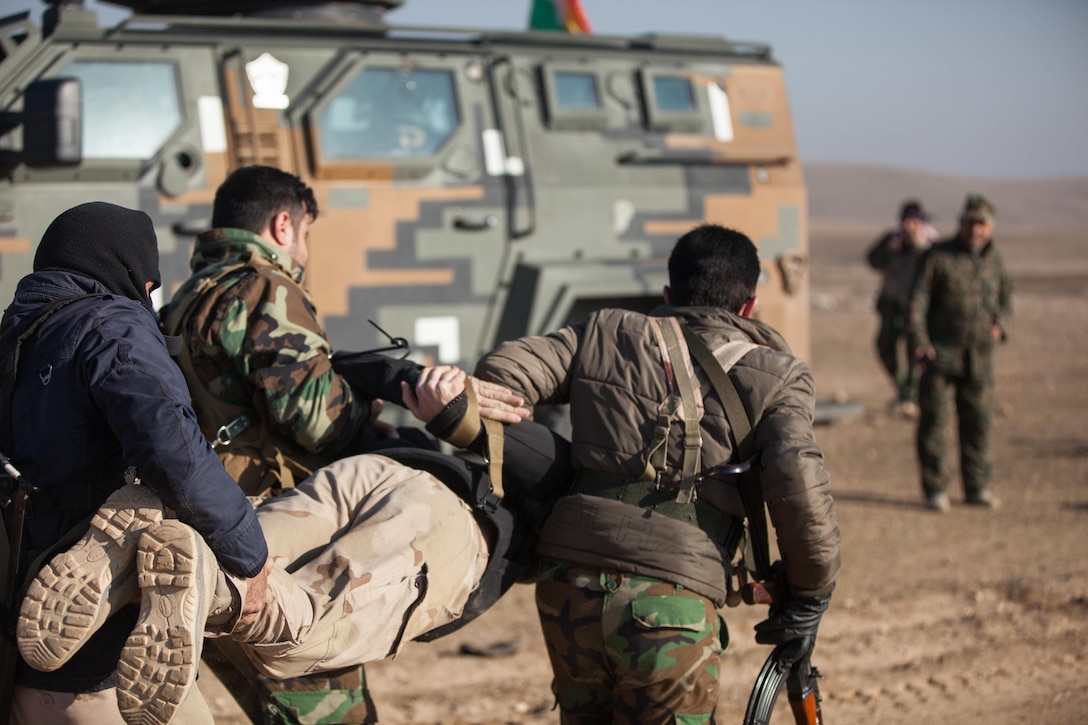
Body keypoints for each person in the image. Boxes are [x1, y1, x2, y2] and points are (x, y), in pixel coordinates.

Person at [159, 164, 526, 722]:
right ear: (283, 225)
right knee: (333, 706)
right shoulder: (267, 288)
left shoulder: (186, 299)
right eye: (305, 235)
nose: (304, 252)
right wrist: (367, 413)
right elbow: (314, 418)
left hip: (210, 524)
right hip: (275, 541)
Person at [18, 364, 573, 725]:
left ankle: (140, 545)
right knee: (305, 630)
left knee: (243, 551)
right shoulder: (584, 477)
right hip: (449, 523)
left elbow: (335, 364)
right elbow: (558, 476)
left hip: (370, 470)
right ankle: (212, 587)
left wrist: (414, 379)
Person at [473, 224, 841, 724]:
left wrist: (542, 484)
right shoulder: (779, 374)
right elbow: (798, 483)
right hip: (672, 599)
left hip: (568, 589)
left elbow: (502, 371)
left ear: (668, 294)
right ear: (749, 306)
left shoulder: (603, 331)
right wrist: (811, 591)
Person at [0, 202, 271, 725]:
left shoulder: (12, 339)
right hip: (102, 670)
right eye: (150, 286)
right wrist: (249, 553)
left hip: (19, 656)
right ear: (129, 272)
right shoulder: (111, 324)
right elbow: (174, 451)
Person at [909, 194, 1012, 513]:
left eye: (980, 224)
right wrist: (920, 340)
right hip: (940, 355)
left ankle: (976, 486)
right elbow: (918, 302)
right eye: (969, 222)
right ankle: (935, 489)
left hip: (979, 359)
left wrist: (1000, 325)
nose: (974, 230)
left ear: (991, 226)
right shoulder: (938, 256)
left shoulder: (995, 260)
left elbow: (1006, 297)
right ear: (960, 223)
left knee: (978, 425)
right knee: (934, 426)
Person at [866, 199, 938, 415]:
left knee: (915, 354)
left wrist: (918, 246)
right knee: (884, 347)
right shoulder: (893, 240)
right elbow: (872, 260)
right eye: (906, 221)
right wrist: (889, 250)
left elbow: (936, 269)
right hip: (892, 308)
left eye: (913, 222)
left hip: (917, 311)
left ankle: (912, 396)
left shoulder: (930, 244)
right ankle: (904, 391)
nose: (909, 227)